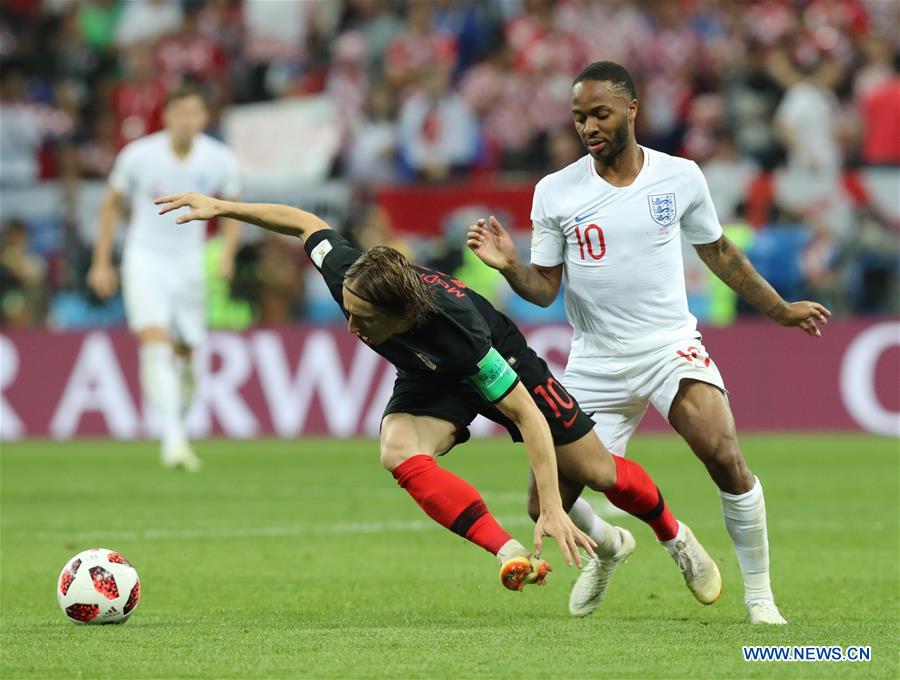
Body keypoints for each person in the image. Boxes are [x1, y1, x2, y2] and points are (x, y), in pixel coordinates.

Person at [155, 190, 720, 602]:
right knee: (397, 449)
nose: (350, 326)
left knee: (597, 472)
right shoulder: (353, 276)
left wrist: (552, 505)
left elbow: (526, 415)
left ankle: (675, 536)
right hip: (427, 372)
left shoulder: (459, 335)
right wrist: (221, 207)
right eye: (347, 310)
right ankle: (507, 552)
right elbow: (304, 222)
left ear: (399, 317)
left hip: (497, 360)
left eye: (362, 319)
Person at [467, 61, 832, 624]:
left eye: (600, 114)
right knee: (544, 505)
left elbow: (720, 252)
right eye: (579, 117)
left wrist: (779, 309)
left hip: (668, 347)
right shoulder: (555, 191)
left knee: (724, 455)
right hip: (595, 360)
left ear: (632, 109)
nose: (588, 127)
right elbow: (543, 290)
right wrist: (512, 267)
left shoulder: (679, 176)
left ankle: (761, 599)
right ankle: (611, 546)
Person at [87, 86, 242, 472]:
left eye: (194, 113)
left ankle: (179, 429)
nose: (186, 121)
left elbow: (233, 209)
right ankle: (172, 439)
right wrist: (102, 262)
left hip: (189, 264)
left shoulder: (220, 159)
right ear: (167, 116)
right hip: (144, 258)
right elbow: (111, 205)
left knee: (188, 352)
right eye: (179, 113)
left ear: (204, 118)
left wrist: (226, 253)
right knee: (155, 340)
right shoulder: (138, 155)